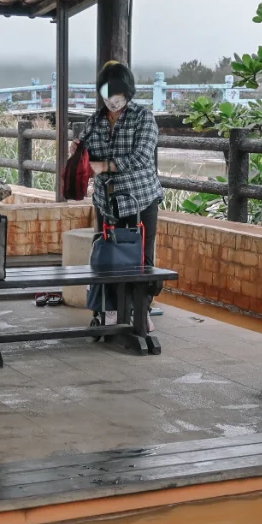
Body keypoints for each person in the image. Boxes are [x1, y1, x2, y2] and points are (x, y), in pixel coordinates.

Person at [82, 60, 162, 328]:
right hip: (107, 202)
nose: (113, 102)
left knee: (140, 258)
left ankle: (141, 309)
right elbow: (84, 152)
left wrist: (106, 165)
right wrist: (79, 156)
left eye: (118, 96)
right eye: (108, 96)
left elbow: (141, 156)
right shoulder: (93, 122)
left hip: (141, 199)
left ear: (128, 93)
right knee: (108, 256)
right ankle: (110, 309)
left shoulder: (143, 117)